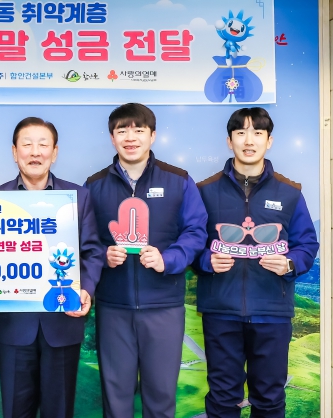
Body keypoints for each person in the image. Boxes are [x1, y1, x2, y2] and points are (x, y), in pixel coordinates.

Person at [84, 103, 208, 418]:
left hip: (164, 306)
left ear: (152, 136)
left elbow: (196, 231)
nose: (131, 138)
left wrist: (168, 259)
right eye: (122, 130)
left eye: (139, 130)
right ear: (112, 137)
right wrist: (104, 254)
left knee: (161, 396)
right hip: (113, 307)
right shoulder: (94, 185)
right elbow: (84, 240)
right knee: (115, 397)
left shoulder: (179, 180)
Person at [193, 108, 319, 417]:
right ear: (229, 141)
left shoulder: (290, 192)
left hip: (272, 312)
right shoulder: (204, 191)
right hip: (221, 311)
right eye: (241, 133)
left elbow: (307, 244)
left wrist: (290, 264)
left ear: (269, 141)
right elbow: (190, 242)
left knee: (269, 397)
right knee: (222, 397)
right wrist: (207, 260)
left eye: (257, 133)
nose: (249, 141)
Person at [0, 117, 104, 418]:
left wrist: (86, 289)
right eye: (27, 144)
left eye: (43, 145)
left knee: (60, 410)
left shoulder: (78, 197)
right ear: (14, 152)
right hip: (12, 327)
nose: (35, 152)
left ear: (54, 152)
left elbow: (93, 252)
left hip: (63, 323)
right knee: (16, 411)